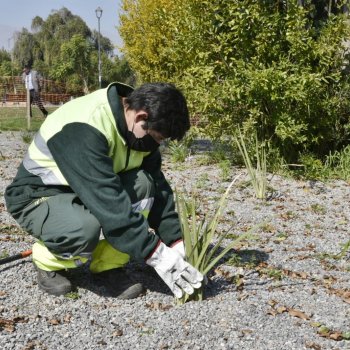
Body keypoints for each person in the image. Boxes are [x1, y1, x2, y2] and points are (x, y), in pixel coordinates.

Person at [5, 82, 203, 299]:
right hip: (39, 195)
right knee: (82, 228)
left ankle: (108, 266)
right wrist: (157, 255)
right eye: (157, 138)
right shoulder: (85, 126)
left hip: (86, 190)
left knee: (144, 184)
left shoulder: (138, 130)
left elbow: (159, 188)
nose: (156, 145)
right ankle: (46, 260)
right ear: (140, 117)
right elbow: (109, 203)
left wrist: (175, 243)